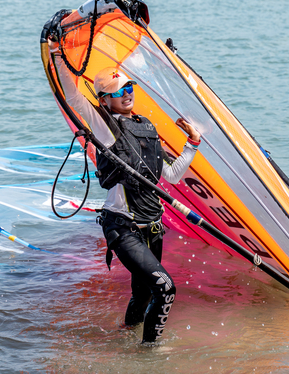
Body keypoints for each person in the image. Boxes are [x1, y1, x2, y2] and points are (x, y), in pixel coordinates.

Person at [52, 51, 201, 344]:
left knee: (144, 293)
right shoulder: (106, 127)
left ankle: (125, 339)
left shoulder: (146, 126)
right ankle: (149, 354)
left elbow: (169, 176)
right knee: (166, 289)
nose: (126, 94)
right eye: (118, 91)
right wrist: (57, 54)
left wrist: (192, 144)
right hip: (123, 227)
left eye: (129, 88)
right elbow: (74, 98)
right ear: (105, 100)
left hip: (152, 226)